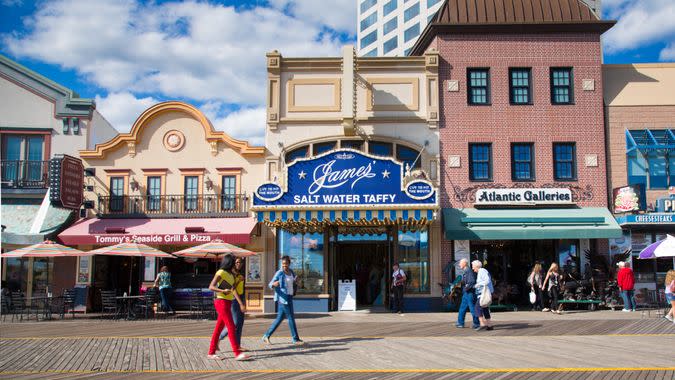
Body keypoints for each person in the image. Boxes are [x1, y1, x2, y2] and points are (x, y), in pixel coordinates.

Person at [207, 254, 250, 361]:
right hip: (221, 301)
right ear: (229, 262)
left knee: (219, 328)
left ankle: (211, 352)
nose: (235, 264)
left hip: (228, 302)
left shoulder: (231, 275)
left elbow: (232, 289)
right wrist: (222, 291)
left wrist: (240, 302)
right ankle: (237, 353)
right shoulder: (221, 272)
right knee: (231, 326)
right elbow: (211, 286)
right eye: (233, 262)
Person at [262, 255, 304, 345]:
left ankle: (266, 335)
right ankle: (295, 339)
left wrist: (296, 281)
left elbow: (293, 282)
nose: (284, 266)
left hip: (289, 297)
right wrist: (274, 284)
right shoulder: (279, 273)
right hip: (283, 298)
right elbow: (270, 284)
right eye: (283, 264)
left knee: (279, 319)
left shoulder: (292, 272)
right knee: (291, 318)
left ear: (289, 263)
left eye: (286, 264)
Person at [219, 256, 247, 349]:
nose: (239, 264)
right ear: (233, 264)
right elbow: (232, 288)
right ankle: (219, 338)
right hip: (235, 300)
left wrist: (243, 301)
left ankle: (237, 345)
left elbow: (241, 289)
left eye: (240, 262)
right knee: (234, 324)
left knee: (240, 324)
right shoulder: (231, 274)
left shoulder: (239, 274)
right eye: (237, 262)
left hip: (241, 298)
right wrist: (241, 304)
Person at [455, 259, 479, 329]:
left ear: (464, 264)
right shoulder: (466, 271)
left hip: (470, 293)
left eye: (460, 263)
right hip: (466, 293)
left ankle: (476, 323)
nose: (459, 265)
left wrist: (465, 288)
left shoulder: (468, 271)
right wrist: (460, 283)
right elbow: (467, 281)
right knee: (462, 307)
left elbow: (471, 282)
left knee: (472, 308)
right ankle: (460, 323)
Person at [472, 260, 494, 331]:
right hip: (483, 293)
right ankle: (489, 325)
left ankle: (482, 324)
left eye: (473, 267)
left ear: (477, 266)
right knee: (485, 308)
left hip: (483, 294)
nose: (473, 268)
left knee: (477, 308)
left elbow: (487, 280)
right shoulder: (482, 271)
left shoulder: (482, 271)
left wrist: (477, 284)